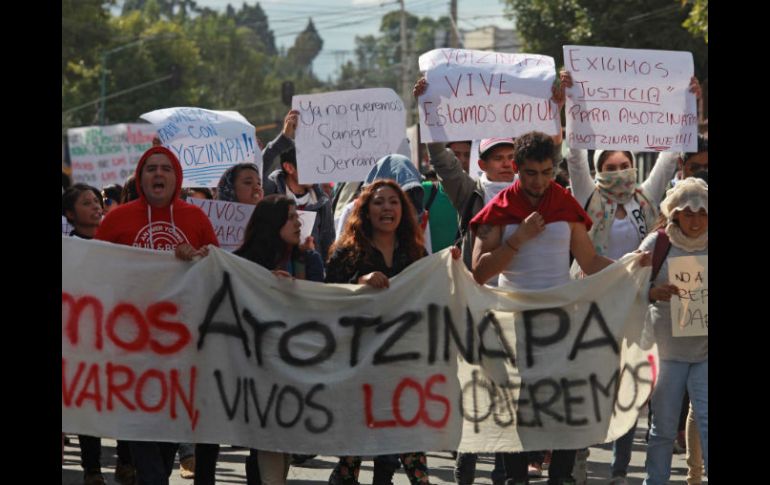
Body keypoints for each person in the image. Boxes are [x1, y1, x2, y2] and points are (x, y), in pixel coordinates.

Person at [470, 132, 648, 485]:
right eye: (531, 173)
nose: (539, 181)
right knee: (517, 408)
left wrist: (630, 267)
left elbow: (589, 259)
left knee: (567, 406)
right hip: (514, 321)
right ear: (517, 169)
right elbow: (479, 272)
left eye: (547, 172)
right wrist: (517, 239)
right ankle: (516, 478)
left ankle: (560, 477)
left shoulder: (565, 205)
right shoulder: (500, 210)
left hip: (562, 321)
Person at [95, 146, 219, 485]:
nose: (158, 174)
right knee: (142, 433)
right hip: (132, 348)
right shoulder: (117, 220)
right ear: (140, 176)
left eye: (166, 168)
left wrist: (198, 257)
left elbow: (217, 271)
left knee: (166, 440)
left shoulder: (196, 219)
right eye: (151, 169)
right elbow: (96, 270)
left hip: (181, 349)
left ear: (176, 178)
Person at [325, 180, 460, 485]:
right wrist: (360, 280)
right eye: (378, 202)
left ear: (403, 210)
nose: (387, 208)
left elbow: (428, 294)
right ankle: (344, 475)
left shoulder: (415, 252)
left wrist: (448, 269)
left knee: (409, 431)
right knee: (354, 445)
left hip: (402, 361)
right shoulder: (346, 253)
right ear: (365, 211)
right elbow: (328, 298)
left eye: (393, 202)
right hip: (359, 362)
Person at [230, 195, 324, 485]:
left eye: (298, 216)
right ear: (271, 223)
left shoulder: (308, 260)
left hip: (297, 365)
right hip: (257, 367)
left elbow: (322, 305)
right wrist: (261, 284)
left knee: (283, 441)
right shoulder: (242, 263)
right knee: (269, 437)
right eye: (290, 217)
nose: (298, 222)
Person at [641, 178, 708, 485]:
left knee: (707, 423)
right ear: (675, 213)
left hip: (705, 353)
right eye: (688, 213)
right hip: (666, 353)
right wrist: (653, 292)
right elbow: (630, 283)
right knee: (663, 428)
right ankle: (655, 480)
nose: (696, 220)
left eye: (703, 213)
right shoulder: (657, 244)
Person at [262, 110, 335, 259]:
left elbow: (328, 246)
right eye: (308, 164)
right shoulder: (271, 193)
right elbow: (257, 167)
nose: (315, 169)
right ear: (289, 167)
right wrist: (284, 137)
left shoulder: (322, 202)